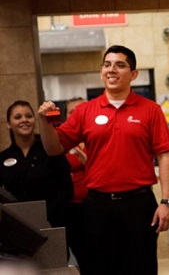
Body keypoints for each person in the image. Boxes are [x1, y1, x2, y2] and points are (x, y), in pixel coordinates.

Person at [37, 45, 169, 275]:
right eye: (107, 64)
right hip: (97, 207)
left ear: (133, 74)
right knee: (99, 269)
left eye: (120, 65)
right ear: (101, 72)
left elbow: (165, 156)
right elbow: (54, 148)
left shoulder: (150, 110)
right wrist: (44, 122)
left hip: (138, 205)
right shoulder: (85, 111)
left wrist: (166, 202)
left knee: (141, 268)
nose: (112, 70)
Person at [0, 100, 73, 230]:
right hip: (17, 226)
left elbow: (67, 189)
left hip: (52, 223)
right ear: (8, 124)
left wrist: (46, 214)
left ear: (35, 119)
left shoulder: (51, 149)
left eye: (29, 116)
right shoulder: (3, 157)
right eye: (18, 117)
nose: (24, 120)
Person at [62, 96, 88, 271]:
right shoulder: (60, 142)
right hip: (69, 209)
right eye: (72, 111)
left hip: (96, 206)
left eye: (81, 110)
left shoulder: (100, 138)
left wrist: (88, 162)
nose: (77, 114)